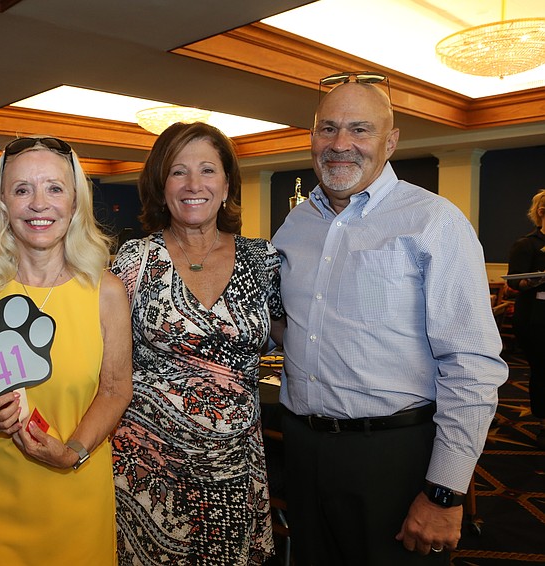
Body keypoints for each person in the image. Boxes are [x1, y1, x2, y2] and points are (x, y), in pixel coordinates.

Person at [271, 74, 508, 565]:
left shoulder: (433, 222)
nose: (340, 144)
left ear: (390, 141)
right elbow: (292, 321)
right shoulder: (296, 223)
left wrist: (445, 491)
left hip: (393, 456)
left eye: (360, 130)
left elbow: (472, 365)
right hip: (303, 447)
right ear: (311, 137)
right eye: (328, 128)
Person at [0, 136, 133, 565]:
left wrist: (73, 452)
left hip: (75, 481)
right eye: (21, 189)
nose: (38, 204)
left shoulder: (106, 292)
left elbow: (115, 389)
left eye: (54, 188)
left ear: (74, 202)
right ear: (2, 204)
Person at [111, 122, 283, 565]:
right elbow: (101, 356)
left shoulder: (262, 260)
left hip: (235, 467)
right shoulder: (135, 259)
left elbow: (296, 336)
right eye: (178, 172)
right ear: (161, 186)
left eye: (208, 170)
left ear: (227, 185)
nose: (193, 185)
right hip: (148, 468)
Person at [506, 189, 545, 448]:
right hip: (536, 316)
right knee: (543, 370)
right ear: (541, 211)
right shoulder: (527, 244)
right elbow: (513, 284)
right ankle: (543, 423)